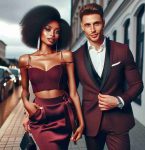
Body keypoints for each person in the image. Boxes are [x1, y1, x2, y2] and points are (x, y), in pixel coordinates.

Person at [73, 3, 143, 150]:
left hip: (118, 121)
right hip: (90, 122)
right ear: (82, 26)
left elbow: (137, 84)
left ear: (103, 23)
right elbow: (70, 92)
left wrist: (119, 100)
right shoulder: (76, 57)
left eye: (96, 23)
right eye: (88, 25)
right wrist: (76, 121)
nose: (92, 29)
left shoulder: (122, 50)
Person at [19, 5, 84, 150]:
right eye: (47, 29)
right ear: (38, 30)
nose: (52, 35)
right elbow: (24, 91)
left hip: (63, 114)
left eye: (57, 31)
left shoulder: (65, 56)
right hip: (40, 113)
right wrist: (26, 106)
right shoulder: (25, 60)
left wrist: (81, 122)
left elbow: (73, 92)